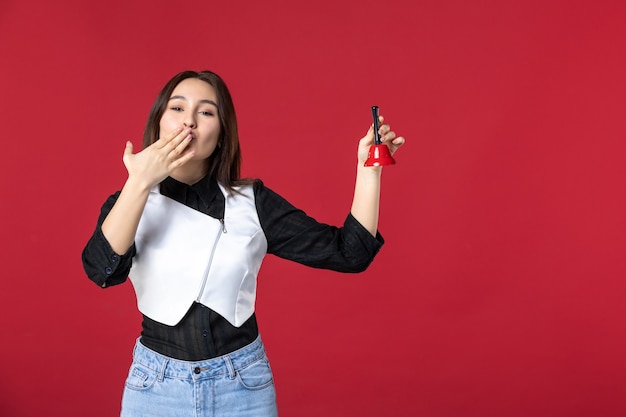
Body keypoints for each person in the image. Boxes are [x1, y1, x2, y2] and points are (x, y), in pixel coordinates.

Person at [81, 70, 405, 417]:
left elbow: (350, 253)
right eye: (177, 108)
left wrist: (369, 170)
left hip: (242, 388)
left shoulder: (252, 202)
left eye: (206, 112)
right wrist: (140, 181)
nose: (188, 122)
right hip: (155, 389)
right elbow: (102, 269)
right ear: (159, 121)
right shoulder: (131, 200)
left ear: (221, 134)